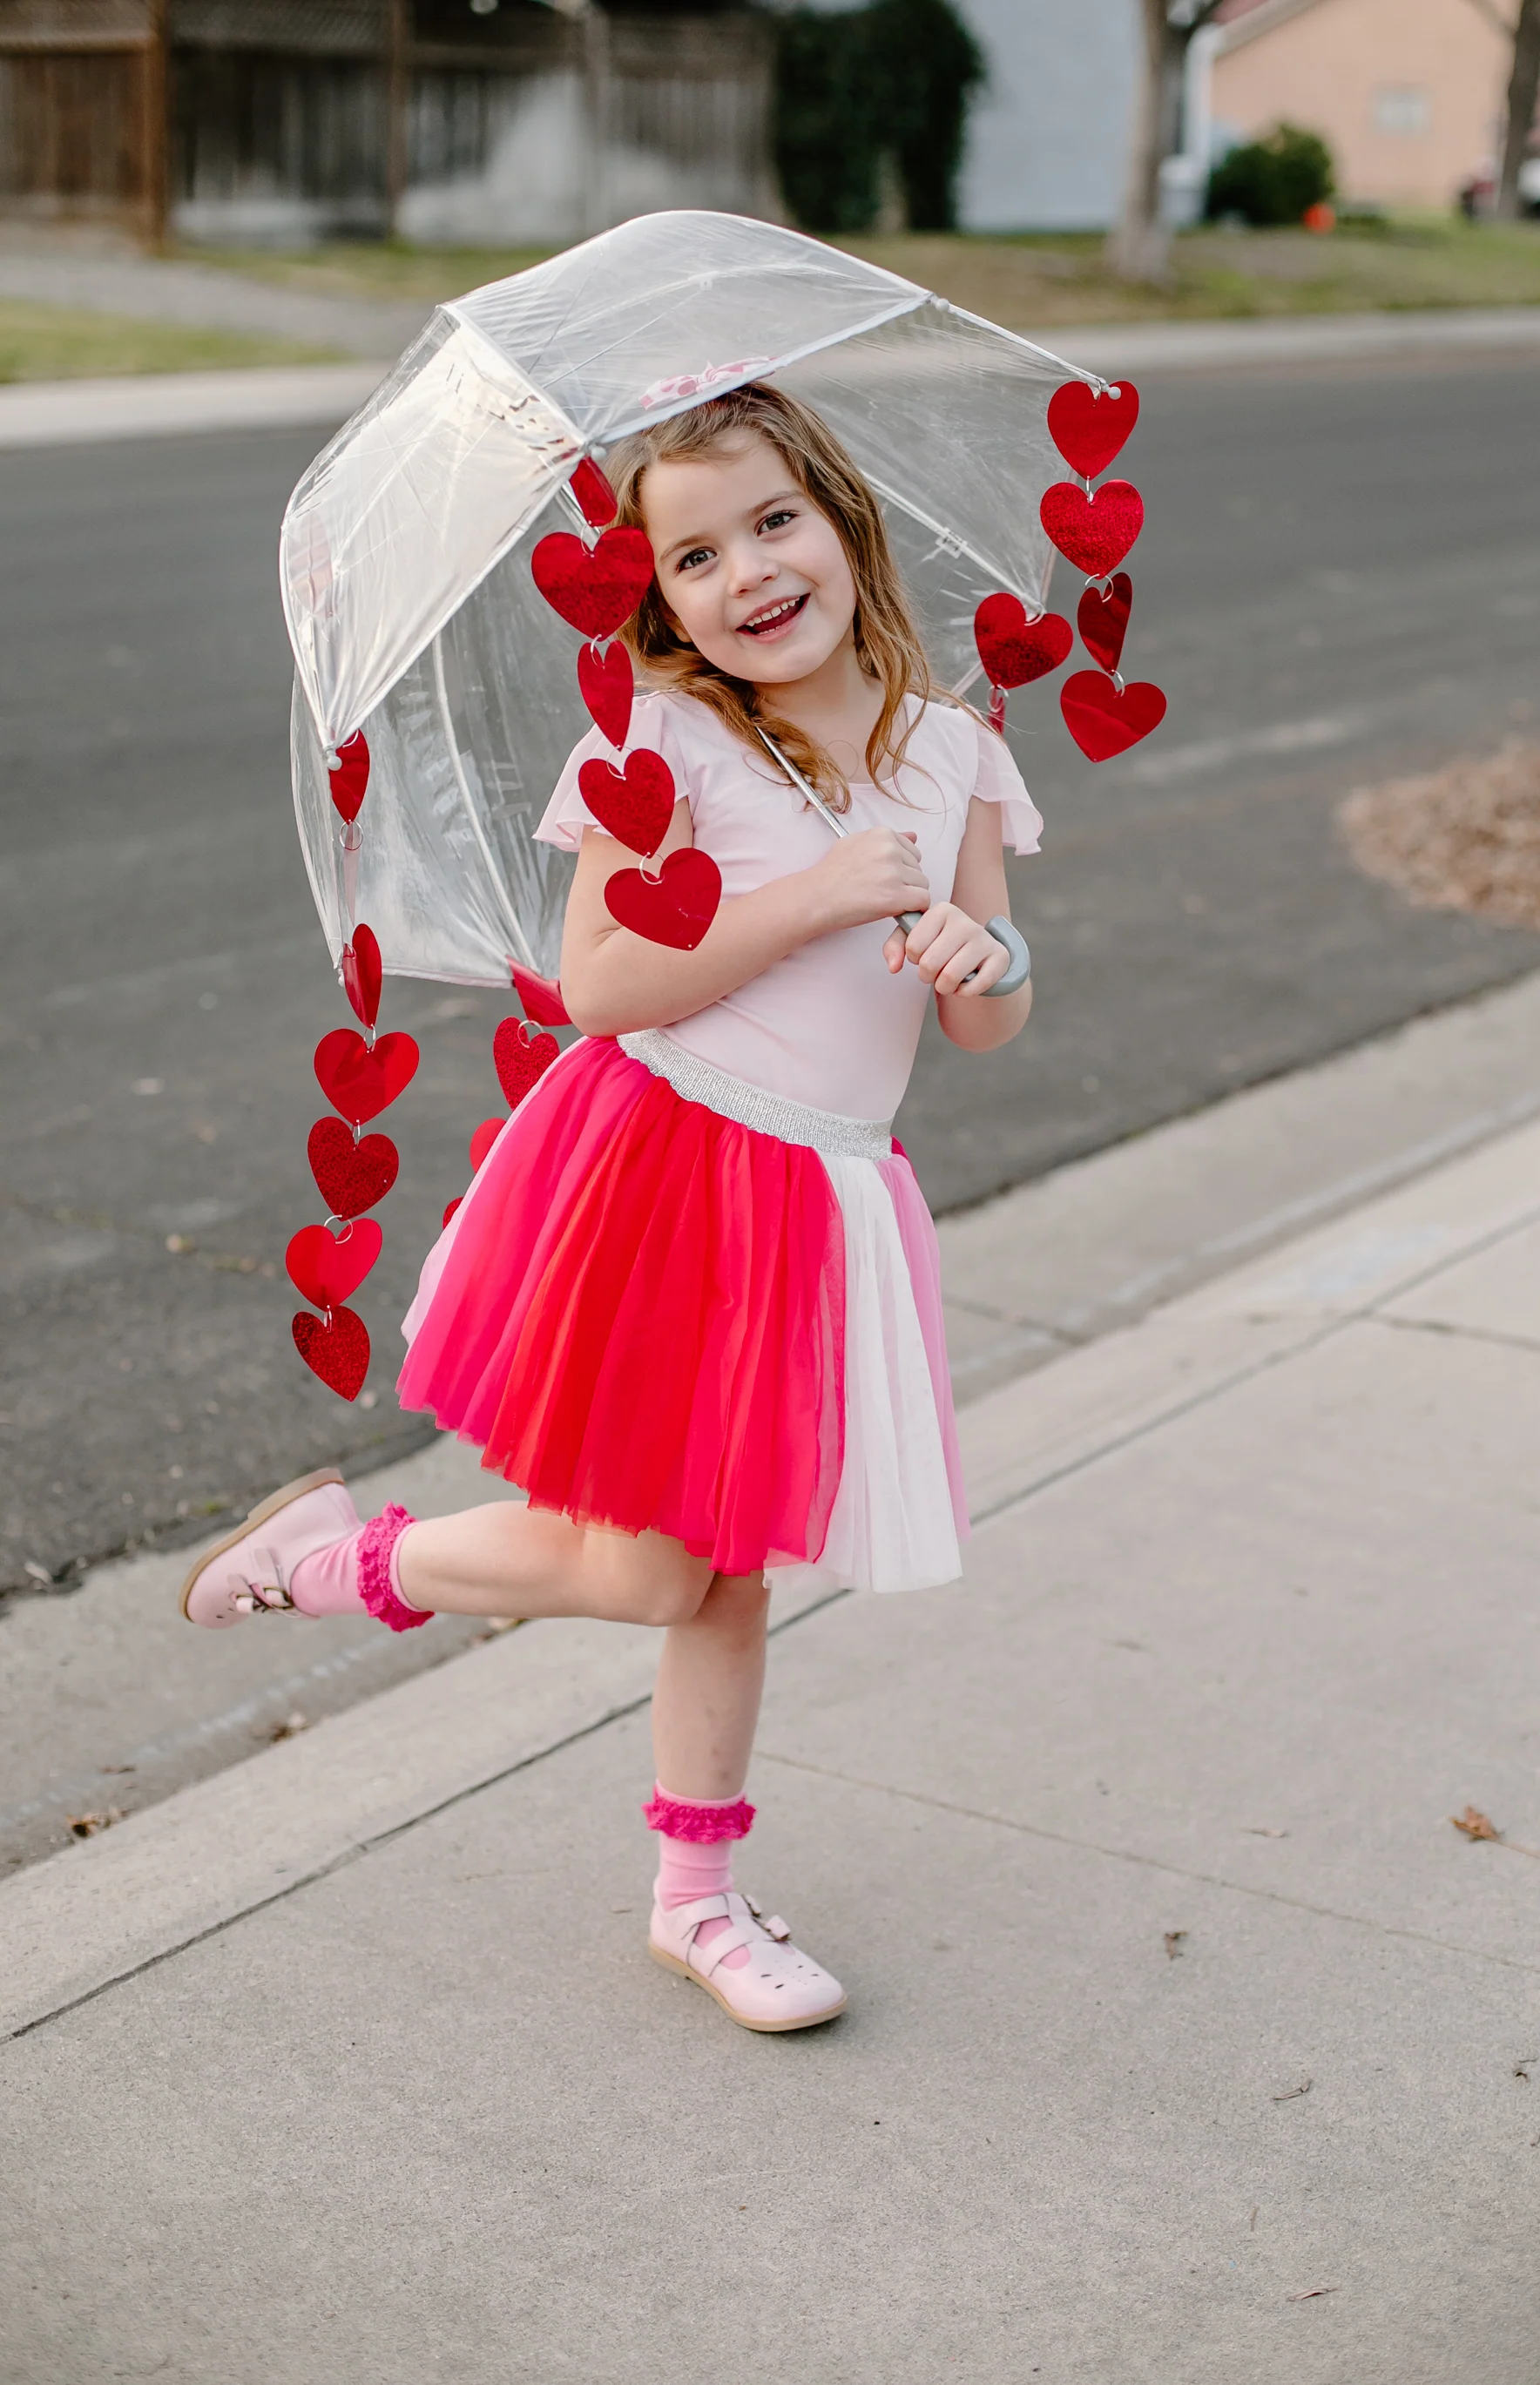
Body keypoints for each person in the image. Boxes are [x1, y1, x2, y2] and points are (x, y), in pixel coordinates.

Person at [180, 382, 1039, 2032]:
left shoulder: (953, 751)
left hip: (829, 1198)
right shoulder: (668, 747)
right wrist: (807, 900)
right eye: (698, 554)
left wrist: (982, 955)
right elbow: (598, 983)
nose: (750, 573)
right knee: (651, 1572)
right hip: (673, 1175)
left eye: (774, 521)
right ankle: (332, 1561)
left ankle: (699, 1902)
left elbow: (991, 1010)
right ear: (659, 596)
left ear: (843, 520)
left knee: (731, 1574)